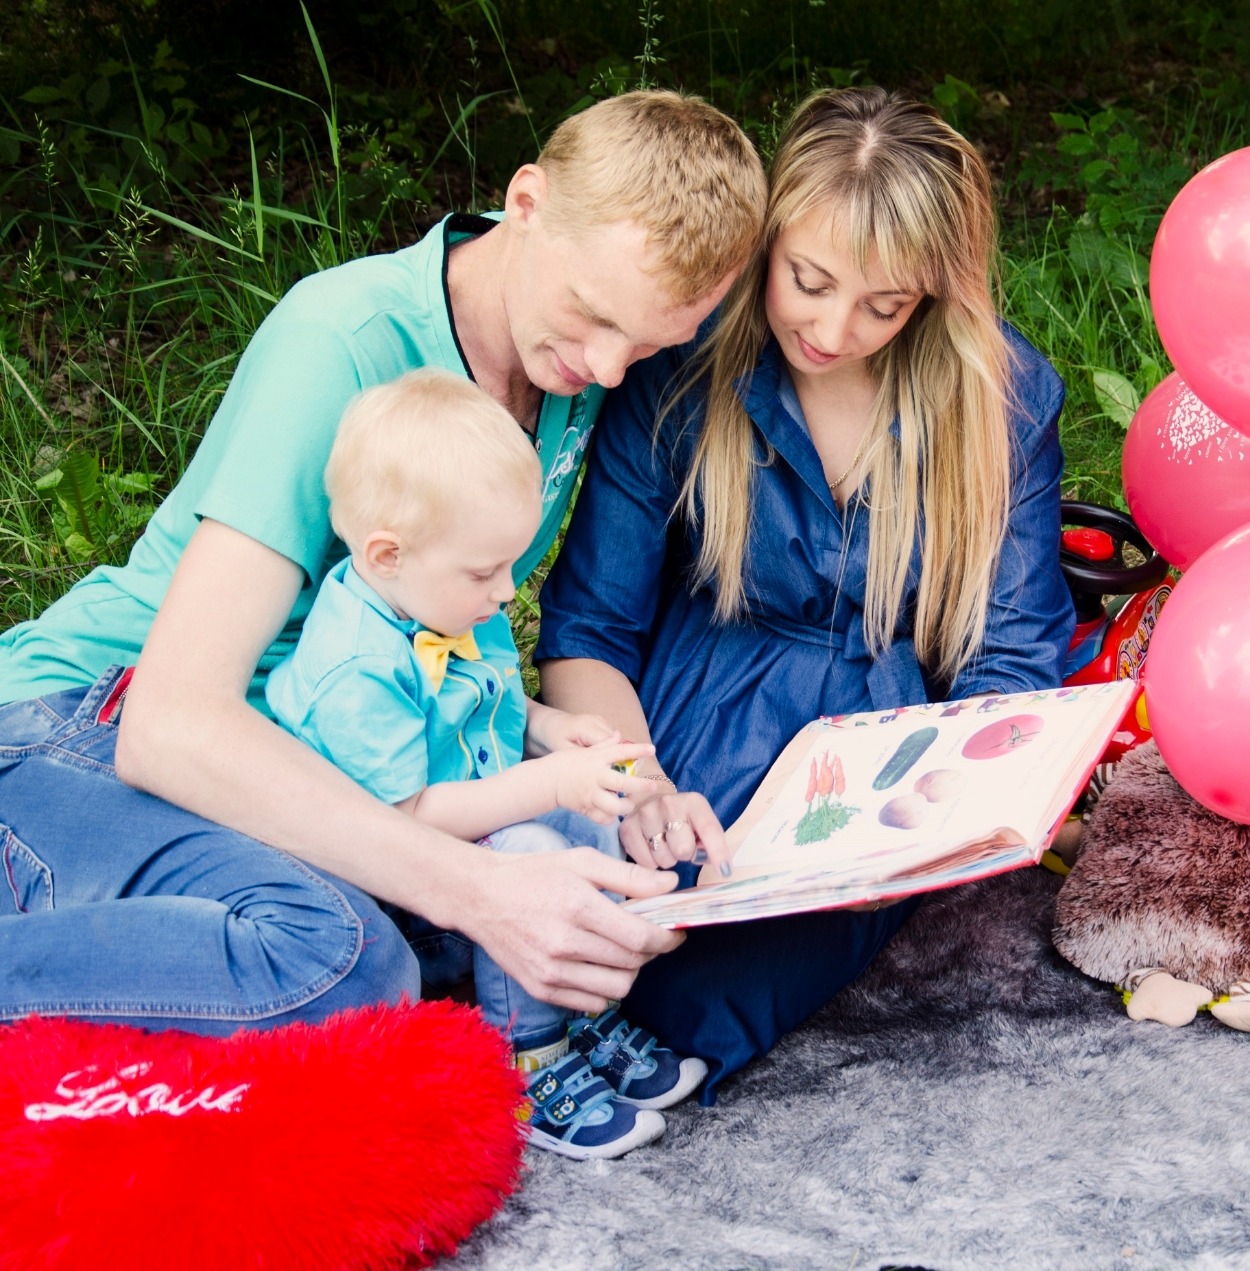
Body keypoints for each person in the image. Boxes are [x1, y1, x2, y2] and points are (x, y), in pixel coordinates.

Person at [0, 92, 764, 1038]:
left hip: (321, 743)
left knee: (557, 900)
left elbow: (414, 637)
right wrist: (482, 891)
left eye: (650, 343)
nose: (611, 369)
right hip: (79, 724)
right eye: (594, 318)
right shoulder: (340, 343)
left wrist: (597, 767)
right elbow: (173, 722)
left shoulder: (565, 364)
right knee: (340, 966)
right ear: (526, 202)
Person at [535, 86, 1076, 1100]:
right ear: (769, 237)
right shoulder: (681, 367)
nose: (836, 329)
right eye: (810, 281)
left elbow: (1016, 656)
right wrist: (637, 781)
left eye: (887, 304)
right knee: (624, 906)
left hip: (885, 742)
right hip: (687, 706)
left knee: (716, 970)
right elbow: (588, 628)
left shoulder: (1001, 396)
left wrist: (945, 809)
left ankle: (658, 1037)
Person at [265, 370, 707, 1158]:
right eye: (485, 572)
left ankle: (581, 1008)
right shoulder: (355, 671)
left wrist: (548, 729)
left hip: (470, 821)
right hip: (399, 891)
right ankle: (526, 1053)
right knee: (537, 849)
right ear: (387, 554)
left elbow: (488, 699)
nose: (507, 592)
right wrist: (539, 786)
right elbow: (405, 823)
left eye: (511, 567)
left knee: (586, 814)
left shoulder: (448, 600)